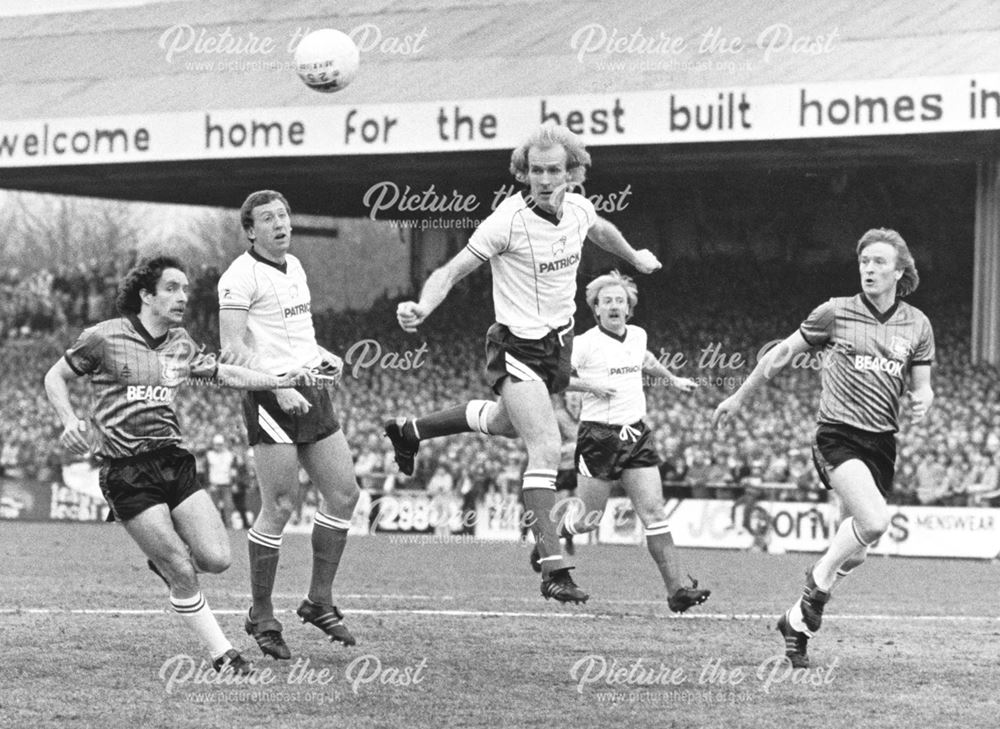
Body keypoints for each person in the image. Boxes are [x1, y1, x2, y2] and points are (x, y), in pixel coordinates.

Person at [385, 123, 662, 604]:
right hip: (515, 345)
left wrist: (634, 255)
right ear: (524, 174)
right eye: (536, 170)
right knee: (546, 445)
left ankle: (410, 431)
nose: (545, 179)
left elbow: (600, 230)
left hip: (558, 346)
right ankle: (554, 567)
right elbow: (452, 269)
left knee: (501, 422)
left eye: (555, 169)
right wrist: (424, 307)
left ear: (573, 173)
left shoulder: (577, 207)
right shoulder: (506, 221)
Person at [43, 255, 301, 675]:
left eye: (185, 289)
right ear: (146, 295)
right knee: (182, 570)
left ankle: (162, 561)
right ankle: (224, 655)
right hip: (126, 471)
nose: (183, 296)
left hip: (174, 463)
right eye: (172, 288)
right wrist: (70, 421)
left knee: (217, 559)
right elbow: (55, 377)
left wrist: (278, 381)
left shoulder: (182, 342)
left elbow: (226, 374)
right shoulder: (103, 337)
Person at [713, 228, 934, 668]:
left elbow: (922, 386)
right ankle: (816, 582)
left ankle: (796, 621)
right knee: (874, 522)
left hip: (881, 443)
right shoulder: (835, 312)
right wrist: (738, 396)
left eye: (879, 262)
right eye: (864, 261)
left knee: (859, 551)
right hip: (837, 434)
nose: (869, 269)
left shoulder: (918, 324)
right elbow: (779, 355)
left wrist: (923, 398)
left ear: (899, 271)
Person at [218, 190, 360, 660]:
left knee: (344, 494)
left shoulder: (295, 266)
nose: (280, 223)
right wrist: (276, 385)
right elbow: (232, 349)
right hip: (268, 395)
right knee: (279, 505)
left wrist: (324, 357)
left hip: (311, 390)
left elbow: (298, 336)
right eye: (268, 218)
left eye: (284, 214)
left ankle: (319, 601)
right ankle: (260, 614)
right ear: (251, 230)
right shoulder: (238, 277)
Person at [543, 270, 710, 613]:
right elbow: (555, 378)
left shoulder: (637, 335)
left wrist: (673, 379)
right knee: (589, 519)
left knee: (655, 512)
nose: (615, 305)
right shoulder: (586, 343)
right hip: (598, 437)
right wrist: (591, 387)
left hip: (635, 435)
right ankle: (549, 538)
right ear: (597, 308)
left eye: (620, 300)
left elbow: (644, 361)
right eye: (607, 301)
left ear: (629, 307)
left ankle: (677, 590)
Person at [204, 433, 237, 528]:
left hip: (226, 484)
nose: (218, 447)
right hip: (214, 484)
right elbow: (206, 471)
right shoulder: (209, 455)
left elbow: (233, 470)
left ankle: (229, 525)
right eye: (217, 445)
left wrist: (234, 482)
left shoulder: (230, 455)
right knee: (214, 507)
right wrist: (208, 484)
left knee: (228, 506)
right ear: (214, 445)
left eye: (220, 444)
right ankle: (216, 526)